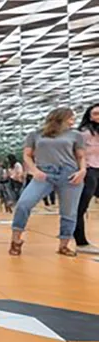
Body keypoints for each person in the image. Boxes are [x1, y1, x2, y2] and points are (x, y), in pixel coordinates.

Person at [9, 108, 88, 256]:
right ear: (60, 118)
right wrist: (34, 170)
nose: (73, 121)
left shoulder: (75, 135)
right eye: (71, 118)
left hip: (69, 174)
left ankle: (64, 245)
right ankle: (16, 240)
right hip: (44, 173)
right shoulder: (36, 135)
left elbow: (81, 156)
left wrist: (82, 171)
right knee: (24, 203)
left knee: (69, 212)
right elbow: (27, 155)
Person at [73, 104, 99, 254]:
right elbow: (75, 153)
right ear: (89, 116)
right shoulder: (83, 134)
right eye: (95, 114)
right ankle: (81, 242)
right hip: (88, 171)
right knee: (81, 206)